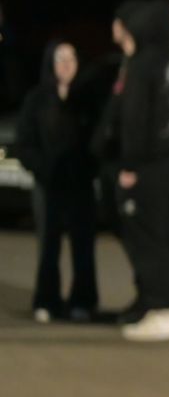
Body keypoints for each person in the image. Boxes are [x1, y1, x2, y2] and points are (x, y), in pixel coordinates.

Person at [111, 0, 169, 343]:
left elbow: (135, 119)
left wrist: (130, 165)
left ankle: (160, 309)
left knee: (150, 237)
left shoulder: (143, 64)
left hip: (150, 165)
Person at [19, 41, 100, 322]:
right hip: (48, 184)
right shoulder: (37, 99)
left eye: (71, 59)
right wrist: (42, 168)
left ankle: (83, 301)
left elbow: (98, 140)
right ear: (50, 63)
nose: (66, 65)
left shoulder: (87, 98)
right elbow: (25, 142)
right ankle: (46, 300)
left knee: (83, 246)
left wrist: (89, 168)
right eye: (60, 59)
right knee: (48, 246)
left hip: (80, 184)